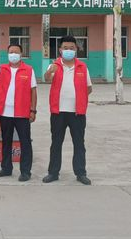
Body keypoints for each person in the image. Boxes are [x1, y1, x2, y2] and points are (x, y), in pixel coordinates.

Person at [43, 35, 92, 185]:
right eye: (65, 48)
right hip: (58, 112)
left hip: (77, 113)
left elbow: (89, 88)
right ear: (60, 50)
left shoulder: (82, 67)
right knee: (56, 143)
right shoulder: (54, 65)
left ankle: (81, 173)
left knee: (79, 143)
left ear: (76, 49)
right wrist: (50, 71)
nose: (68, 50)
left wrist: (78, 98)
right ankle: (53, 173)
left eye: (71, 48)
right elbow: (46, 79)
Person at [0, 44, 37, 182]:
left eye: (16, 52)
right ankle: (6, 168)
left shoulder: (28, 70)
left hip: (22, 113)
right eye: (11, 52)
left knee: (25, 142)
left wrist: (33, 110)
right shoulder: (2, 68)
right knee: (6, 141)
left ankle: (25, 171)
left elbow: (33, 91)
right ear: (7, 54)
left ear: (21, 54)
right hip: (5, 112)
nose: (13, 54)